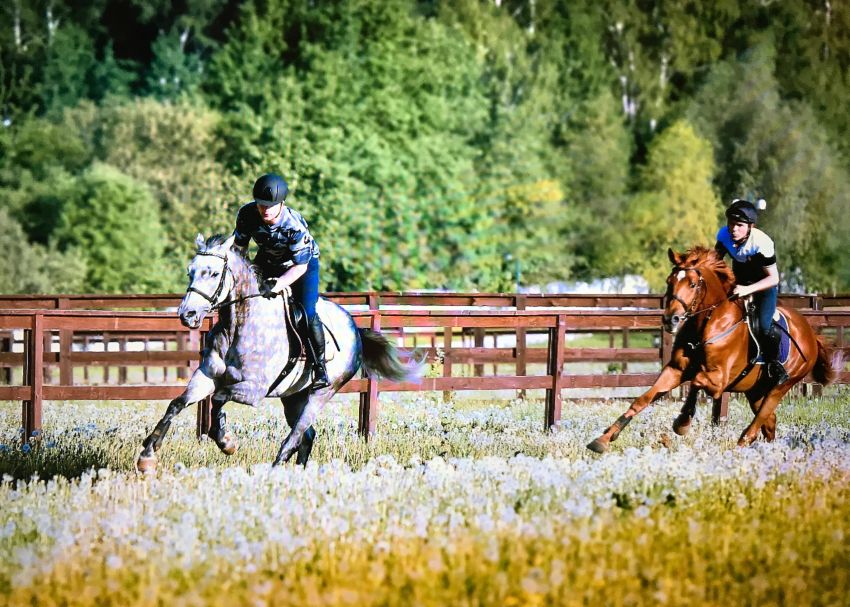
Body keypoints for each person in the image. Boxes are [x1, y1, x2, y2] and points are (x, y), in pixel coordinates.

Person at [232, 173, 329, 390]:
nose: (265, 209)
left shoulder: (294, 225)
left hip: (301, 265)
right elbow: (240, 248)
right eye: (261, 204)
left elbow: (299, 267)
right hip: (267, 259)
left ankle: (320, 367)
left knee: (307, 312)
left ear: (282, 204)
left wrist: (277, 284)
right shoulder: (247, 214)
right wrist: (246, 275)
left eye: (271, 205)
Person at [714, 198, 788, 385]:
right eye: (731, 224)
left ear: (750, 226)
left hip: (764, 287)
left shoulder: (762, 243)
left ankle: (774, 364)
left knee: (763, 325)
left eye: (739, 225)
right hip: (738, 284)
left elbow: (774, 278)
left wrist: (748, 289)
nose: (733, 229)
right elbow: (714, 264)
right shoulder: (723, 236)